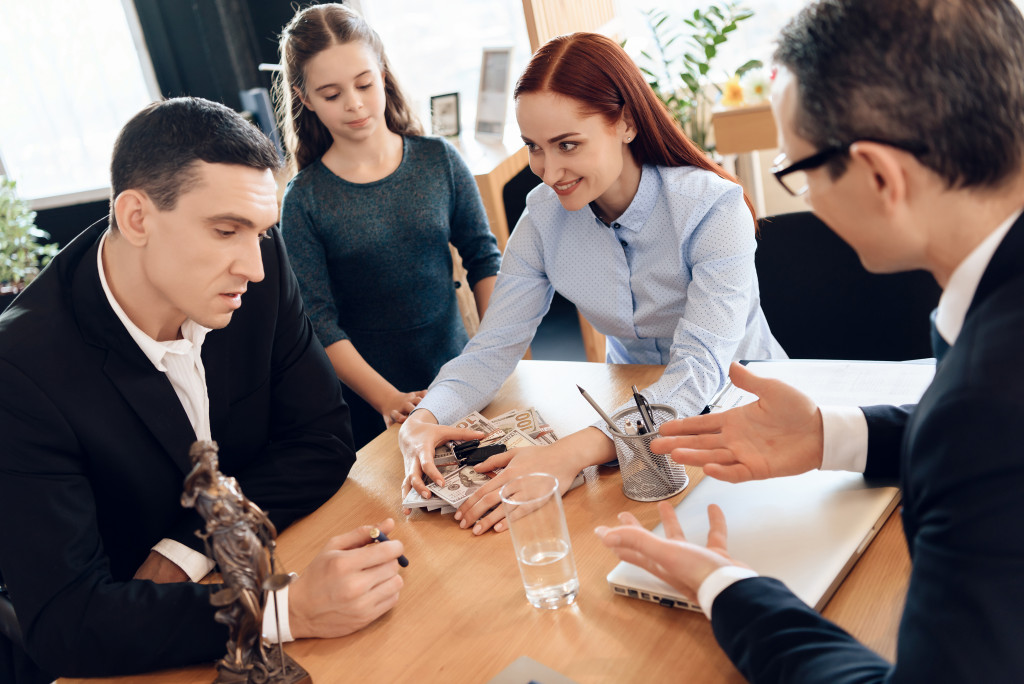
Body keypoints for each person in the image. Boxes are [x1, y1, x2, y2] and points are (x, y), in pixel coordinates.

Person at [597, 1, 1024, 681]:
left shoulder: (982, 405)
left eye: (796, 170)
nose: (800, 197)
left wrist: (728, 588)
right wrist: (832, 435)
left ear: (881, 175)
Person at [0, 97, 404, 683]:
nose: (256, 265)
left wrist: (187, 548)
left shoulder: (253, 271)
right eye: (225, 230)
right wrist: (282, 610)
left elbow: (322, 440)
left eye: (261, 232)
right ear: (136, 218)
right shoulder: (22, 370)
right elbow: (69, 622)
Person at [400, 33, 786, 534]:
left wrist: (570, 454)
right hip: (620, 418)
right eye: (534, 148)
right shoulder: (543, 216)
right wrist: (423, 419)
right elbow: (493, 347)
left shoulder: (713, 208)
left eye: (568, 145)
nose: (549, 171)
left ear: (625, 122)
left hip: (740, 409)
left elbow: (698, 371)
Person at [277, 3, 502, 449]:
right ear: (305, 99)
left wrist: (494, 353)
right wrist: (387, 398)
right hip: (369, 405)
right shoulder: (304, 199)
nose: (355, 104)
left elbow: (483, 258)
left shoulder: (439, 161)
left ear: (382, 72)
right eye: (331, 94)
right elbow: (317, 321)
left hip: (462, 379)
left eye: (364, 83)